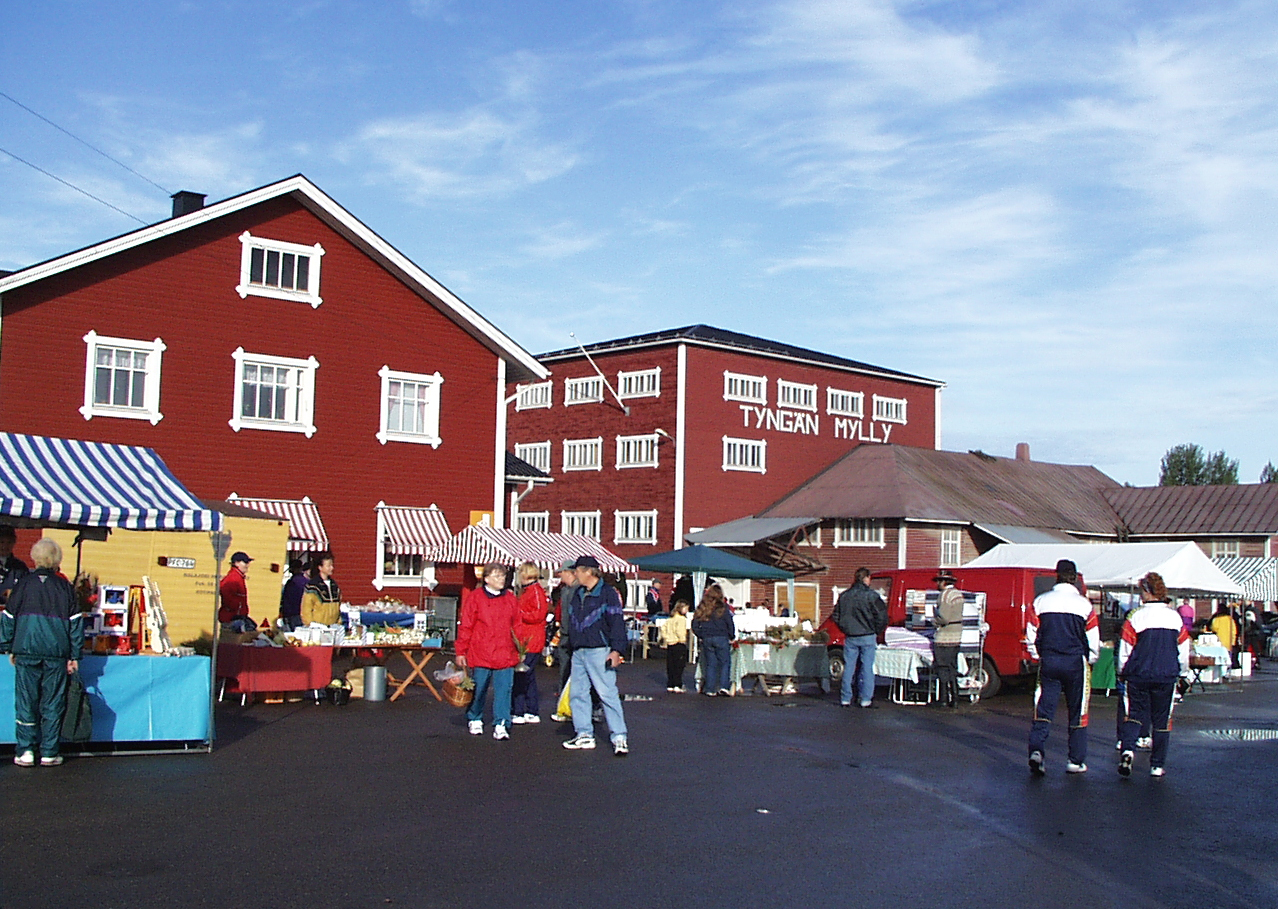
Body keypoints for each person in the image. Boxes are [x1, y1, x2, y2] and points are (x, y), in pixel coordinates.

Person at [0, 538, 83, 767]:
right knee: (52, 702)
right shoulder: (64, 587)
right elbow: (76, 624)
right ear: (56, 560)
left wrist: (7, 646)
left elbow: (8, 618)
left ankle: (26, 749)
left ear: (35, 558)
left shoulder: (23, 584)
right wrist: (75, 655)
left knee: (26, 701)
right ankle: (49, 750)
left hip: (26, 650)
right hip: (56, 653)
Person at [1026, 559, 1099, 775]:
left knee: (1044, 707)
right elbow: (1093, 639)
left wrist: (1037, 655)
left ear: (1056, 576)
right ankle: (1075, 760)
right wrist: (1091, 659)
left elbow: (1031, 634)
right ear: (1074, 578)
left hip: (1049, 660)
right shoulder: (1085, 605)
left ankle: (1037, 749)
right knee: (1078, 711)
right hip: (1075, 662)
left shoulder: (1041, 601)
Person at [1117, 572, 1190, 778]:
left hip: (1138, 674)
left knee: (1134, 715)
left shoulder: (1135, 617)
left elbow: (1125, 650)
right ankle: (1157, 765)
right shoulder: (1174, 618)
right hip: (1166, 674)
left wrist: (1122, 671)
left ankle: (1128, 750)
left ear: (1148, 592)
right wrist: (1183, 672)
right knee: (1162, 720)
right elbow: (1184, 649)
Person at [562, 555, 629, 755]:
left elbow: (617, 622)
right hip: (579, 650)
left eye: (577, 571)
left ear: (589, 572)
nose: (575, 574)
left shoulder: (608, 594)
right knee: (578, 694)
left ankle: (619, 736)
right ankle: (584, 734)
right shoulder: (578, 593)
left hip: (599, 649)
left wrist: (616, 650)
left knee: (607, 693)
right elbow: (572, 618)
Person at [456, 562, 521, 740]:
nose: (501, 579)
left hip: (505, 652)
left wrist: (521, 648)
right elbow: (466, 625)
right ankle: (475, 717)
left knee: (504, 690)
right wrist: (461, 651)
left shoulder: (510, 598)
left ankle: (501, 723)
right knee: (478, 688)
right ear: (486, 579)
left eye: (503, 576)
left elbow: (517, 625)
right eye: (497, 576)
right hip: (481, 651)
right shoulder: (475, 598)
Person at [832, 567, 889, 709]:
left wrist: (845, 628)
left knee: (849, 667)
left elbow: (836, 615)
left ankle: (845, 698)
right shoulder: (872, 596)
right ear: (866, 578)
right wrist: (876, 630)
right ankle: (865, 699)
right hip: (867, 635)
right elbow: (882, 616)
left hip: (851, 635)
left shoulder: (845, 596)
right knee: (867, 667)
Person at [511, 562, 549, 725]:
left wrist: (519, 613)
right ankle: (530, 710)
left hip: (531, 640)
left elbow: (538, 614)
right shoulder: (527, 591)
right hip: (525, 638)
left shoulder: (535, 591)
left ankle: (520, 710)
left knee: (522, 675)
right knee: (528, 676)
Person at [692, 584, 735, 697]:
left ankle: (710, 689)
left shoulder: (703, 606)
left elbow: (694, 624)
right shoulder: (723, 607)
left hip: (707, 637)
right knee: (725, 663)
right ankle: (723, 686)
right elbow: (729, 623)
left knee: (711, 664)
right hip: (721, 637)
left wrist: (701, 635)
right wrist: (732, 636)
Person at [550, 559, 578, 722]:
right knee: (565, 671)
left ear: (570, 573)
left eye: (562, 572)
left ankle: (569, 709)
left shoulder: (577, 590)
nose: (560, 575)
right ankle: (564, 707)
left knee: (571, 673)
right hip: (565, 634)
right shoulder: (566, 590)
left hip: (572, 637)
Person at [932, 570, 965, 709]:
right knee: (952, 667)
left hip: (944, 636)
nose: (937, 584)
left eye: (939, 581)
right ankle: (955, 698)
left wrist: (934, 621)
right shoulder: (958, 594)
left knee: (942, 667)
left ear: (944, 582)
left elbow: (944, 618)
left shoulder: (944, 595)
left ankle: (944, 699)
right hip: (957, 634)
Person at [218, 551, 255, 632]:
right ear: (236, 563)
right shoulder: (234, 578)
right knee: (232, 639)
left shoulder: (238, 577)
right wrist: (237, 608)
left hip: (235, 617)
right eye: (245, 562)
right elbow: (224, 590)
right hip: (231, 618)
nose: (248, 565)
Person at [301, 552, 341, 626]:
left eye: (332, 565)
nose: (332, 568)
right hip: (317, 628)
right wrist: (311, 625)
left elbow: (338, 607)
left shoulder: (334, 586)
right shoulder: (312, 586)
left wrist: (338, 624)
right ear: (320, 567)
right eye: (328, 566)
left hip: (333, 628)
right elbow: (306, 610)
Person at [660, 599, 691, 692]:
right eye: (686, 608)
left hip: (670, 643)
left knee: (671, 665)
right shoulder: (681, 619)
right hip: (679, 643)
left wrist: (666, 637)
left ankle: (670, 684)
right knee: (679, 665)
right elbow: (679, 631)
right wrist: (683, 639)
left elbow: (663, 628)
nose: (687, 611)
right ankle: (677, 684)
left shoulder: (670, 618)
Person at [0, 525, 30, 607]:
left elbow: (27, 591)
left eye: (9, 542)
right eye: (2, 542)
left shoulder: (20, 567)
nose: (5, 546)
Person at [278, 557, 308, 631]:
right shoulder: (307, 582)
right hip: (303, 613)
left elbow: (285, 599)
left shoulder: (291, 583)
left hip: (292, 614)